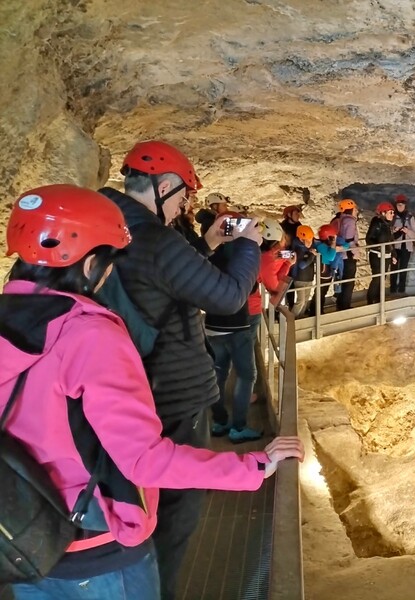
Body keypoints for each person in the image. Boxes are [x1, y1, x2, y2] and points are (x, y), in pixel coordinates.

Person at [0, 184, 304, 600]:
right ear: (91, 264)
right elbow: (143, 460)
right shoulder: (89, 336)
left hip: (22, 540)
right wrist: (251, 466)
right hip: (94, 546)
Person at [97, 140, 263, 600]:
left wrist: (207, 244)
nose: (186, 206)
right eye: (184, 196)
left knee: (131, 507)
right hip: (170, 396)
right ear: (164, 185)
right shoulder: (152, 235)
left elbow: (169, 283)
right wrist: (248, 245)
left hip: (124, 390)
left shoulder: (109, 226)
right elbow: (228, 295)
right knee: (172, 518)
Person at [205, 212, 263, 444]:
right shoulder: (240, 253)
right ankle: (238, 427)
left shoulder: (210, 251)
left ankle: (219, 422)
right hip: (236, 325)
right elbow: (247, 290)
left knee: (218, 374)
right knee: (246, 375)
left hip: (212, 325)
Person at [308, 224, 349, 316]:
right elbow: (330, 257)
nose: (335, 237)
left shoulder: (323, 244)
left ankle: (316, 310)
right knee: (321, 291)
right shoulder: (322, 246)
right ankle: (316, 311)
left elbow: (346, 245)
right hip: (324, 270)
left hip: (326, 269)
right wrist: (334, 245)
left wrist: (339, 248)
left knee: (322, 291)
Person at [330, 199, 360, 310]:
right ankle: (345, 306)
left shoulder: (340, 219)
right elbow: (350, 239)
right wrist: (356, 251)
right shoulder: (350, 221)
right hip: (348, 254)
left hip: (341, 255)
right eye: (355, 208)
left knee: (343, 280)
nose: (356, 210)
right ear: (351, 209)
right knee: (349, 281)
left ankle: (340, 304)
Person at [365, 202, 397, 304]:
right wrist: (379, 247)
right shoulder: (377, 223)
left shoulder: (388, 224)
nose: (393, 214)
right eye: (390, 212)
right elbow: (369, 238)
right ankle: (370, 300)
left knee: (382, 278)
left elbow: (391, 241)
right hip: (376, 255)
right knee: (377, 278)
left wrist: (393, 254)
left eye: (393, 212)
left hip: (386, 255)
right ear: (383, 213)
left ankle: (379, 299)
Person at [390, 194, 415, 294]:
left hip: (406, 247)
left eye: (401, 205)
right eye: (398, 205)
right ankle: (392, 290)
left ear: (405, 205)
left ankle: (401, 290)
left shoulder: (410, 217)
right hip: (395, 247)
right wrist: (394, 229)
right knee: (394, 269)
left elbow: (414, 235)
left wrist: (407, 231)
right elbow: (388, 231)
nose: (400, 207)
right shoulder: (392, 216)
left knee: (403, 269)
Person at [288, 225, 317, 317]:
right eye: (308, 240)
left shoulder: (308, 248)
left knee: (305, 300)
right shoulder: (297, 248)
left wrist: (312, 255)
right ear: (301, 239)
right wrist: (312, 255)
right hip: (300, 278)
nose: (310, 242)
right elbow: (302, 265)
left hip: (308, 277)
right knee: (301, 301)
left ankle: (300, 317)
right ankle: (291, 319)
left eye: (311, 240)